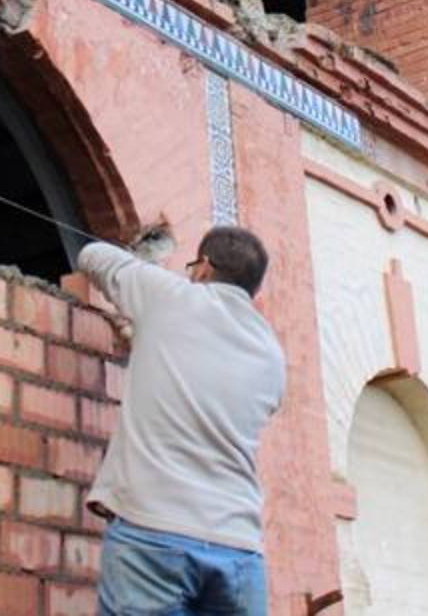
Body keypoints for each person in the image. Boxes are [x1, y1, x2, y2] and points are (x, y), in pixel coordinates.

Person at [77, 226, 286, 616]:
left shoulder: (169, 296)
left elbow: (92, 256)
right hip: (239, 550)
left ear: (203, 267)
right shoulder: (272, 353)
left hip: (154, 535)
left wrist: (149, 279)